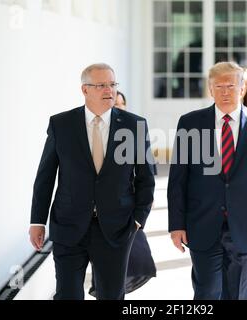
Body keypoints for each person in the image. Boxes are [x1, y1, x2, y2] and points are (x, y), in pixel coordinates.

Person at [29, 63, 155, 300]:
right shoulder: (61, 124)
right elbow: (45, 176)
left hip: (116, 227)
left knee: (111, 295)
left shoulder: (134, 125)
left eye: (112, 85)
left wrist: (138, 219)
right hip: (68, 224)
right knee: (68, 295)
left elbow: (146, 177)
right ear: (85, 90)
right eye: (101, 85)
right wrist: (37, 221)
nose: (109, 90)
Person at [168, 61, 247, 300]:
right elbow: (178, 179)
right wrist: (176, 224)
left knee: (240, 295)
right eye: (219, 86)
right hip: (203, 225)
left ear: (242, 88)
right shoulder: (190, 123)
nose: (225, 91)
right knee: (206, 293)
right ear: (210, 89)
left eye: (231, 86)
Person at [88, 90, 157, 297]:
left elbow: (147, 178)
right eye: (113, 103)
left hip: (123, 216)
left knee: (115, 278)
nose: (116, 107)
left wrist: (138, 218)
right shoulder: (91, 131)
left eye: (121, 104)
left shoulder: (133, 131)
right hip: (90, 217)